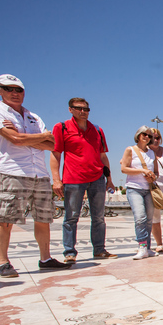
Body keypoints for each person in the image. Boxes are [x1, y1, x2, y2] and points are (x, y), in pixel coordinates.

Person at [0, 74, 69, 277]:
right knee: (5, 219)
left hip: (39, 174)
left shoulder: (33, 117)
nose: (14, 93)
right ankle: (2, 262)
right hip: (13, 171)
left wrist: (23, 137)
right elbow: (16, 140)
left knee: (43, 219)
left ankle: (45, 258)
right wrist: (40, 136)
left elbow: (53, 145)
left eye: (18, 90)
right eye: (9, 89)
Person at [51, 97, 116, 263]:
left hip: (97, 178)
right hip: (73, 179)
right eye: (78, 108)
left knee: (99, 217)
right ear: (70, 109)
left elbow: (103, 156)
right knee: (71, 217)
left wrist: (109, 178)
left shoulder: (97, 130)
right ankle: (69, 252)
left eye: (86, 109)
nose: (83, 112)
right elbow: (56, 154)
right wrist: (56, 179)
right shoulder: (62, 127)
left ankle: (99, 250)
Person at [120, 126, 159, 260]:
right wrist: (142, 171)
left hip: (148, 189)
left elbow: (156, 172)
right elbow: (124, 169)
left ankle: (147, 247)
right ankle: (141, 246)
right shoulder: (130, 150)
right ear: (138, 135)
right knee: (140, 217)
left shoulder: (151, 153)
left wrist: (152, 176)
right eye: (144, 134)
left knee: (149, 220)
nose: (147, 137)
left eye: (149, 136)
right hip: (134, 188)